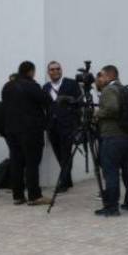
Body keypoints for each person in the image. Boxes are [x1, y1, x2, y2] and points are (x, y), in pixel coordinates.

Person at [1, 61, 49, 206]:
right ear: (31, 72)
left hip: (11, 130)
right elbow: (46, 100)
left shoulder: (7, 86)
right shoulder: (31, 85)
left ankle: (18, 195)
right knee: (32, 163)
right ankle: (34, 196)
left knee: (16, 162)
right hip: (30, 131)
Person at [93, 65, 128, 216]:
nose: (99, 78)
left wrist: (98, 113)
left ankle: (112, 206)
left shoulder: (109, 90)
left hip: (112, 137)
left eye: (101, 75)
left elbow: (112, 108)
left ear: (108, 76)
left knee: (111, 171)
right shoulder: (125, 89)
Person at [43, 61, 82, 192]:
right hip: (52, 126)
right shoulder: (45, 87)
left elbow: (79, 103)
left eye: (57, 69)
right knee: (59, 154)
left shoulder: (71, 83)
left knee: (66, 154)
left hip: (67, 126)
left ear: (61, 70)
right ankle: (67, 180)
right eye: (52, 69)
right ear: (48, 72)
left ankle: (63, 182)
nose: (55, 71)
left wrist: (76, 124)